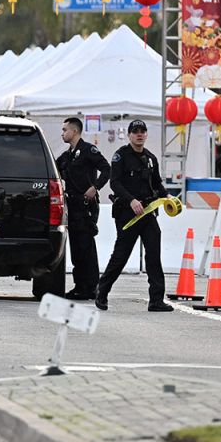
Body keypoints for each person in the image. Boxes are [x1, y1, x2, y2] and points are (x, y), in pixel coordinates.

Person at [94, 119, 174, 312]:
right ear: (129, 135)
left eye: (142, 131)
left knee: (153, 255)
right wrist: (131, 200)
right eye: (135, 131)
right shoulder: (120, 156)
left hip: (147, 213)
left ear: (146, 134)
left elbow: (156, 184)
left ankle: (156, 300)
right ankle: (102, 293)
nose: (139, 134)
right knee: (121, 256)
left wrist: (167, 197)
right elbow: (115, 183)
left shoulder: (150, 158)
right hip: (127, 213)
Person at [55, 117, 110, 301]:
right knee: (76, 248)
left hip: (86, 206)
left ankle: (92, 287)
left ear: (75, 131)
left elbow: (106, 169)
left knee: (86, 248)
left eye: (65, 130)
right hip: (73, 206)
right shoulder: (68, 155)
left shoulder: (87, 151)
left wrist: (95, 187)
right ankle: (80, 286)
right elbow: (54, 166)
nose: (63, 133)